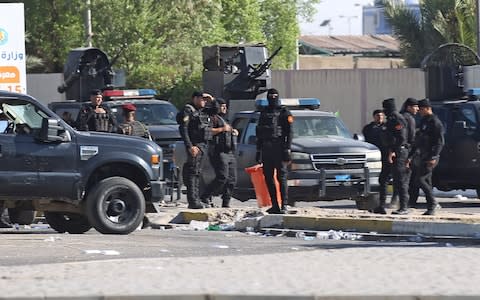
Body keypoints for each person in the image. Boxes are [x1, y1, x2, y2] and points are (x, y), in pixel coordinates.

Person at [178, 91, 227, 209]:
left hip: (203, 145)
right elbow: (183, 129)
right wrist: (190, 146)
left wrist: (211, 98)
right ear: (194, 99)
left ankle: (196, 199)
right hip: (195, 145)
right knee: (193, 173)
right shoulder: (188, 110)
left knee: (197, 173)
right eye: (202, 99)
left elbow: (216, 110)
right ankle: (193, 201)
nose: (204, 101)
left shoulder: (203, 111)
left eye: (205, 100)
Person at [256, 88, 293, 214]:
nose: (272, 98)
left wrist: (287, 148)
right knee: (268, 177)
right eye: (270, 96)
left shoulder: (284, 111)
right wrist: (258, 151)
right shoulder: (264, 112)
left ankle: (284, 205)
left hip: (279, 147)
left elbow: (289, 132)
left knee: (281, 177)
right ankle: (275, 205)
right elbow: (259, 132)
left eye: (275, 96)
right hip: (266, 148)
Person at [374, 98, 409, 215]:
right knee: (383, 179)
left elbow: (402, 137)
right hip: (389, 152)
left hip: (398, 153)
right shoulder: (390, 119)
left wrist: (393, 150)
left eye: (385, 109)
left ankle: (404, 207)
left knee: (399, 180)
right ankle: (381, 206)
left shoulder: (397, 119)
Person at [200, 98, 238, 208]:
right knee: (222, 177)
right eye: (222, 106)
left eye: (226, 106)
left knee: (232, 179)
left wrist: (233, 131)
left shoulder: (225, 119)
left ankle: (226, 203)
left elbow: (228, 131)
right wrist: (222, 129)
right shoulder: (213, 118)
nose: (225, 108)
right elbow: (208, 131)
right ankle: (205, 196)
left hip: (229, 151)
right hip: (218, 151)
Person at [409, 99, 444, 215]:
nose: (419, 111)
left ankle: (433, 202)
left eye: (421, 109)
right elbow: (418, 139)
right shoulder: (424, 121)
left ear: (428, 108)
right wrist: (411, 155)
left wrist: (434, 157)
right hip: (423, 155)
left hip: (431, 156)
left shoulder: (435, 122)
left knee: (420, 180)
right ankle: (431, 207)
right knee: (426, 182)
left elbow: (440, 142)